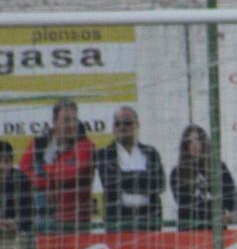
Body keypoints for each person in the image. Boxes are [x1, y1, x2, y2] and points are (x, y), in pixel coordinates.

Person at [19, 98, 94, 231]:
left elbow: (71, 173)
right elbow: (24, 169)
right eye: (66, 120)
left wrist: (45, 172)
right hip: (41, 218)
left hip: (74, 223)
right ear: (54, 122)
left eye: (74, 120)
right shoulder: (38, 143)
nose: (71, 124)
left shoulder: (85, 145)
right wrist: (47, 184)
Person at [95, 106, 166, 231]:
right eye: (117, 124)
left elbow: (159, 184)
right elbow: (111, 184)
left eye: (127, 123)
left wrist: (124, 177)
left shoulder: (151, 152)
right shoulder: (104, 154)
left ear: (137, 125)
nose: (122, 127)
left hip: (149, 223)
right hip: (119, 225)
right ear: (113, 128)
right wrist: (144, 177)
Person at [170, 124, 237, 230]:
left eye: (198, 140)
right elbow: (183, 202)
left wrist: (232, 212)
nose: (195, 145)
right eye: (190, 142)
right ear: (185, 146)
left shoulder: (218, 167)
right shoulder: (178, 172)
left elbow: (231, 194)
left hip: (216, 229)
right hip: (189, 230)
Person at [0, 140, 33, 234]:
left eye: (6, 161)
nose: (2, 166)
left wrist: (14, 223)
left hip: (13, 231)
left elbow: (26, 213)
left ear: (11, 162)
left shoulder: (21, 179)